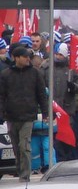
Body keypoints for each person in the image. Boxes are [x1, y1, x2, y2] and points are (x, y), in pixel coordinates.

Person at [0, 45, 48, 181]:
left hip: (28, 116)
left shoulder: (35, 73)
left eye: (28, 56)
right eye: (24, 57)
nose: (28, 59)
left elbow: (41, 94)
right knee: (16, 147)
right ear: (16, 58)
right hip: (11, 116)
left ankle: (24, 175)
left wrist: (45, 113)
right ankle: (19, 168)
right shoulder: (6, 74)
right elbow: (2, 96)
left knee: (24, 145)